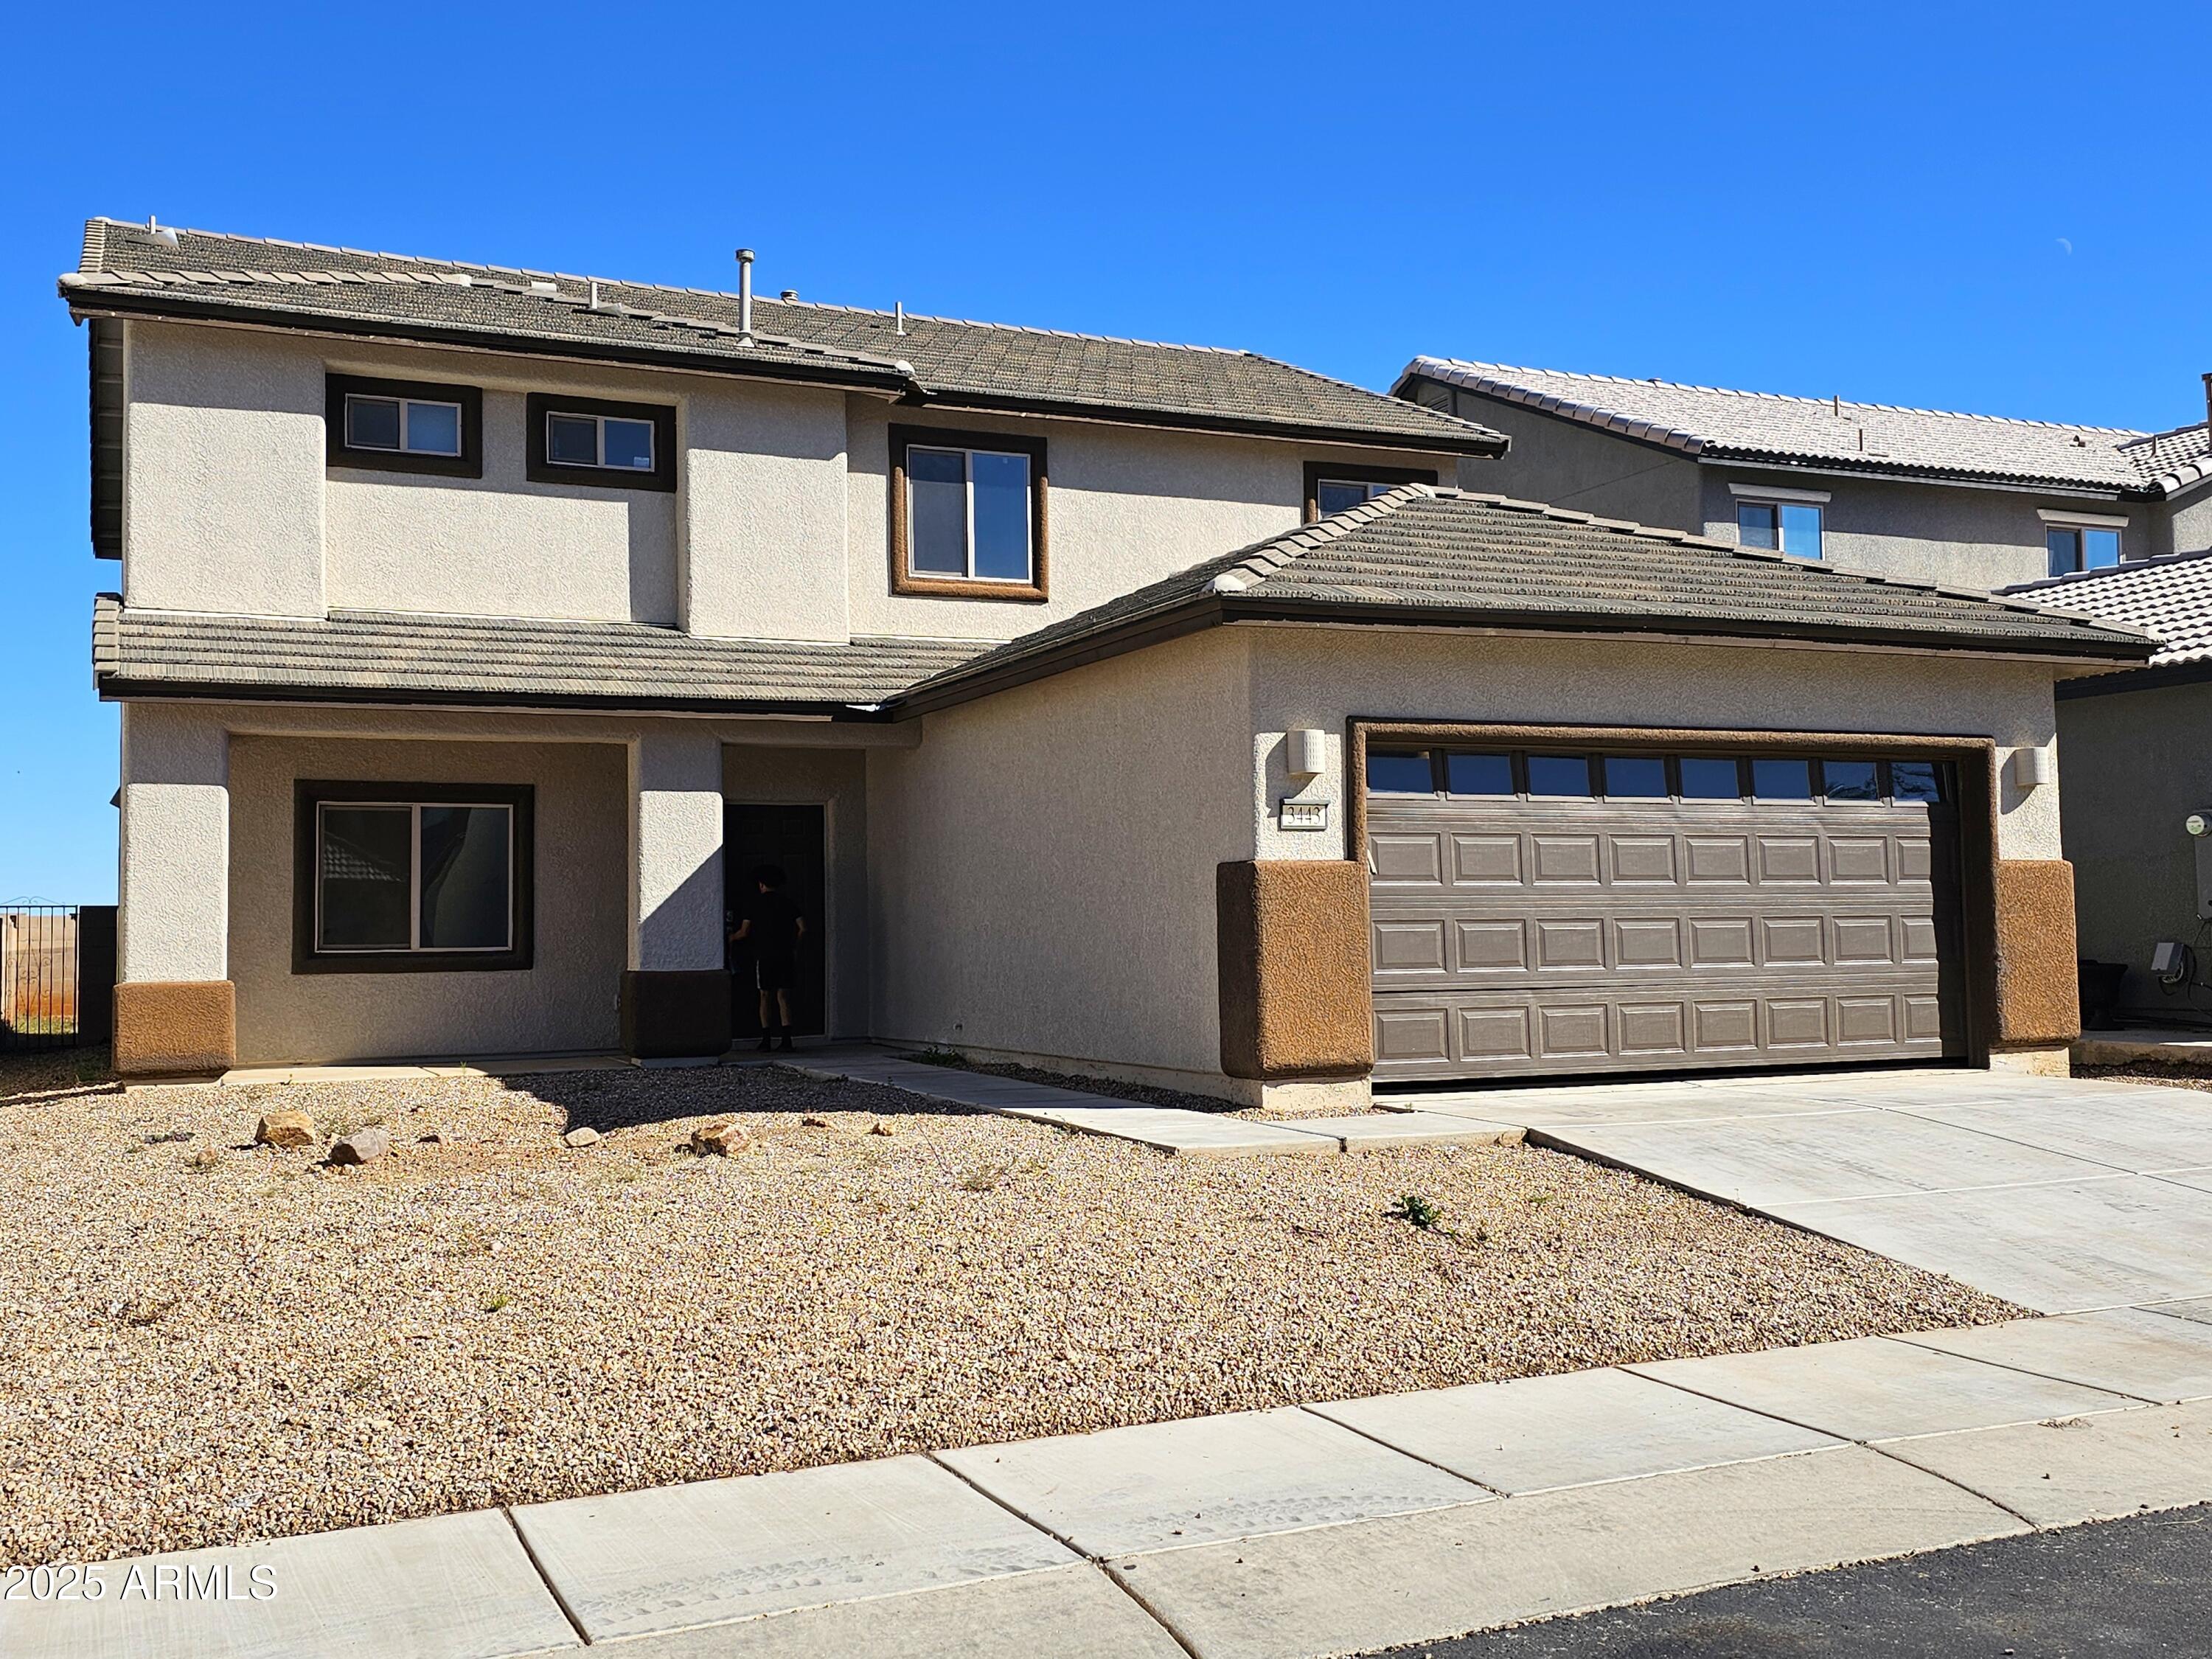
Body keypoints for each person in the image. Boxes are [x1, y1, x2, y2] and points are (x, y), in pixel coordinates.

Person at [730, 864, 805, 1052]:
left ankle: (766, 1039)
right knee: (783, 995)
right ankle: (787, 1039)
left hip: (764, 955)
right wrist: (794, 946)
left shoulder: (754, 904)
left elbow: (744, 932)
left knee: (764, 995)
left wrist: (729, 938)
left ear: (761, 884)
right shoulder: (789, 903)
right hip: (786, 954)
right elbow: (804, 928)